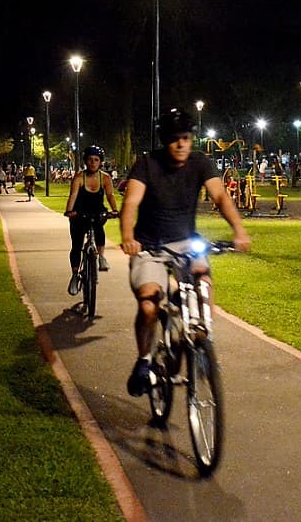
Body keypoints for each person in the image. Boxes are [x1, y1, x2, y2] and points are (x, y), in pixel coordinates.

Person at [120, 108, 251, 397]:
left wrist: (238, 230)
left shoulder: (200, 162)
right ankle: (143, 361)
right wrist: (128, 237)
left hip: (186, 243)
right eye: (174, 139)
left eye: (186, 138)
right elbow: (131, 203)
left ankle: (204, 339)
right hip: (149, 246)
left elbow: (219, 196)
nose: (181, 144)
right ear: (164, 141)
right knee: (149, 305)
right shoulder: (146, 164)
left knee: (203, 282)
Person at [64, 145, 119, 296]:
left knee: (99, 228)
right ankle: (75, 276)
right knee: (76, 245)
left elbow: (110, 196)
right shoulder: (79, 177)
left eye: (96, 160)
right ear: (85, 161)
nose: (93, 163)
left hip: (96, 211)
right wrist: (69, 211)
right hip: (79, 212)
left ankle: (101, 257)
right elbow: (73, 195)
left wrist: (114, 210)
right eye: (90, 160)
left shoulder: (105, 178)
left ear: (100, 162)